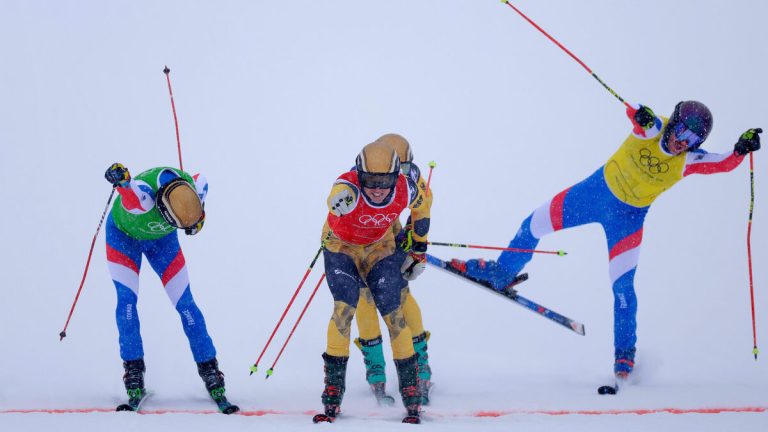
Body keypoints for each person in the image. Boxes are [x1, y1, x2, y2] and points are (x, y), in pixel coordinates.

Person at [458, 101, 762, 379]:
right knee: (532, 225)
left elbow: (722, 163)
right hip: (593, 195)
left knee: (623, 289)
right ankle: (502, 273)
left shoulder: (688, 160)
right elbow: (638, 116)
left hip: (627, 221)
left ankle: (625, 356)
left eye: (693, 140)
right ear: (673, 123)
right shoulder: (653, 129)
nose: (683, 141)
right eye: (681, 131)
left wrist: (741, 149)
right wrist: (639, 114)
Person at [103, 163, 238, 414]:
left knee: (186, 306)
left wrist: (199, 216)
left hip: (162, 243)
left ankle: (211, 372)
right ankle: (133, 374)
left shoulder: (192, 188)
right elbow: (133, 196)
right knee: (127, 303)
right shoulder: (144, 198)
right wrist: (123, 182)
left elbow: (202, 179)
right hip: (123, 238)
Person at [316, 140, 431, 423]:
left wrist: (418, 250)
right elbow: (337, 193)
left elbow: (423, 207)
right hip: (341, 248)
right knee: (344, 309)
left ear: (396, 177)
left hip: (379, 249)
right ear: (359, 174)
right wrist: (338, 201)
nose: (377, 189)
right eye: (370, 181)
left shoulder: (406, 188)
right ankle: (332, 393)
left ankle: (411, 392)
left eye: (385, 182)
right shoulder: (349, 187)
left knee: (393, 313)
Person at [352, 134, 434, 406]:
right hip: (365, 238)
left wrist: (415, 244)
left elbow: (423, 208)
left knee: (401, 297)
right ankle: (376, 368)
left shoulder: (414, 180)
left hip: (390, 233)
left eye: (409, 170)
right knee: (365, 298)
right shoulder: (364, 175)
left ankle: (420, 363)